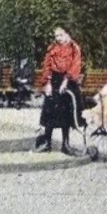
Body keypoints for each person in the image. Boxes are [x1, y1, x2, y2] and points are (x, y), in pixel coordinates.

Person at [35, 26, 84, 155]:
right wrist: (48, 83)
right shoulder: (52, 48)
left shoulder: (74, 48)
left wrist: (66, 81)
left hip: (68, 82)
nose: (58, 38)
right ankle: (47, 142)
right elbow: (47, 66)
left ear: (67, 34)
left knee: (66, 114)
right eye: (56, 36)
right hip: (54, 81)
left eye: (61, 35)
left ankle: (65, 144)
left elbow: (75, 65)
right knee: (49, 111)